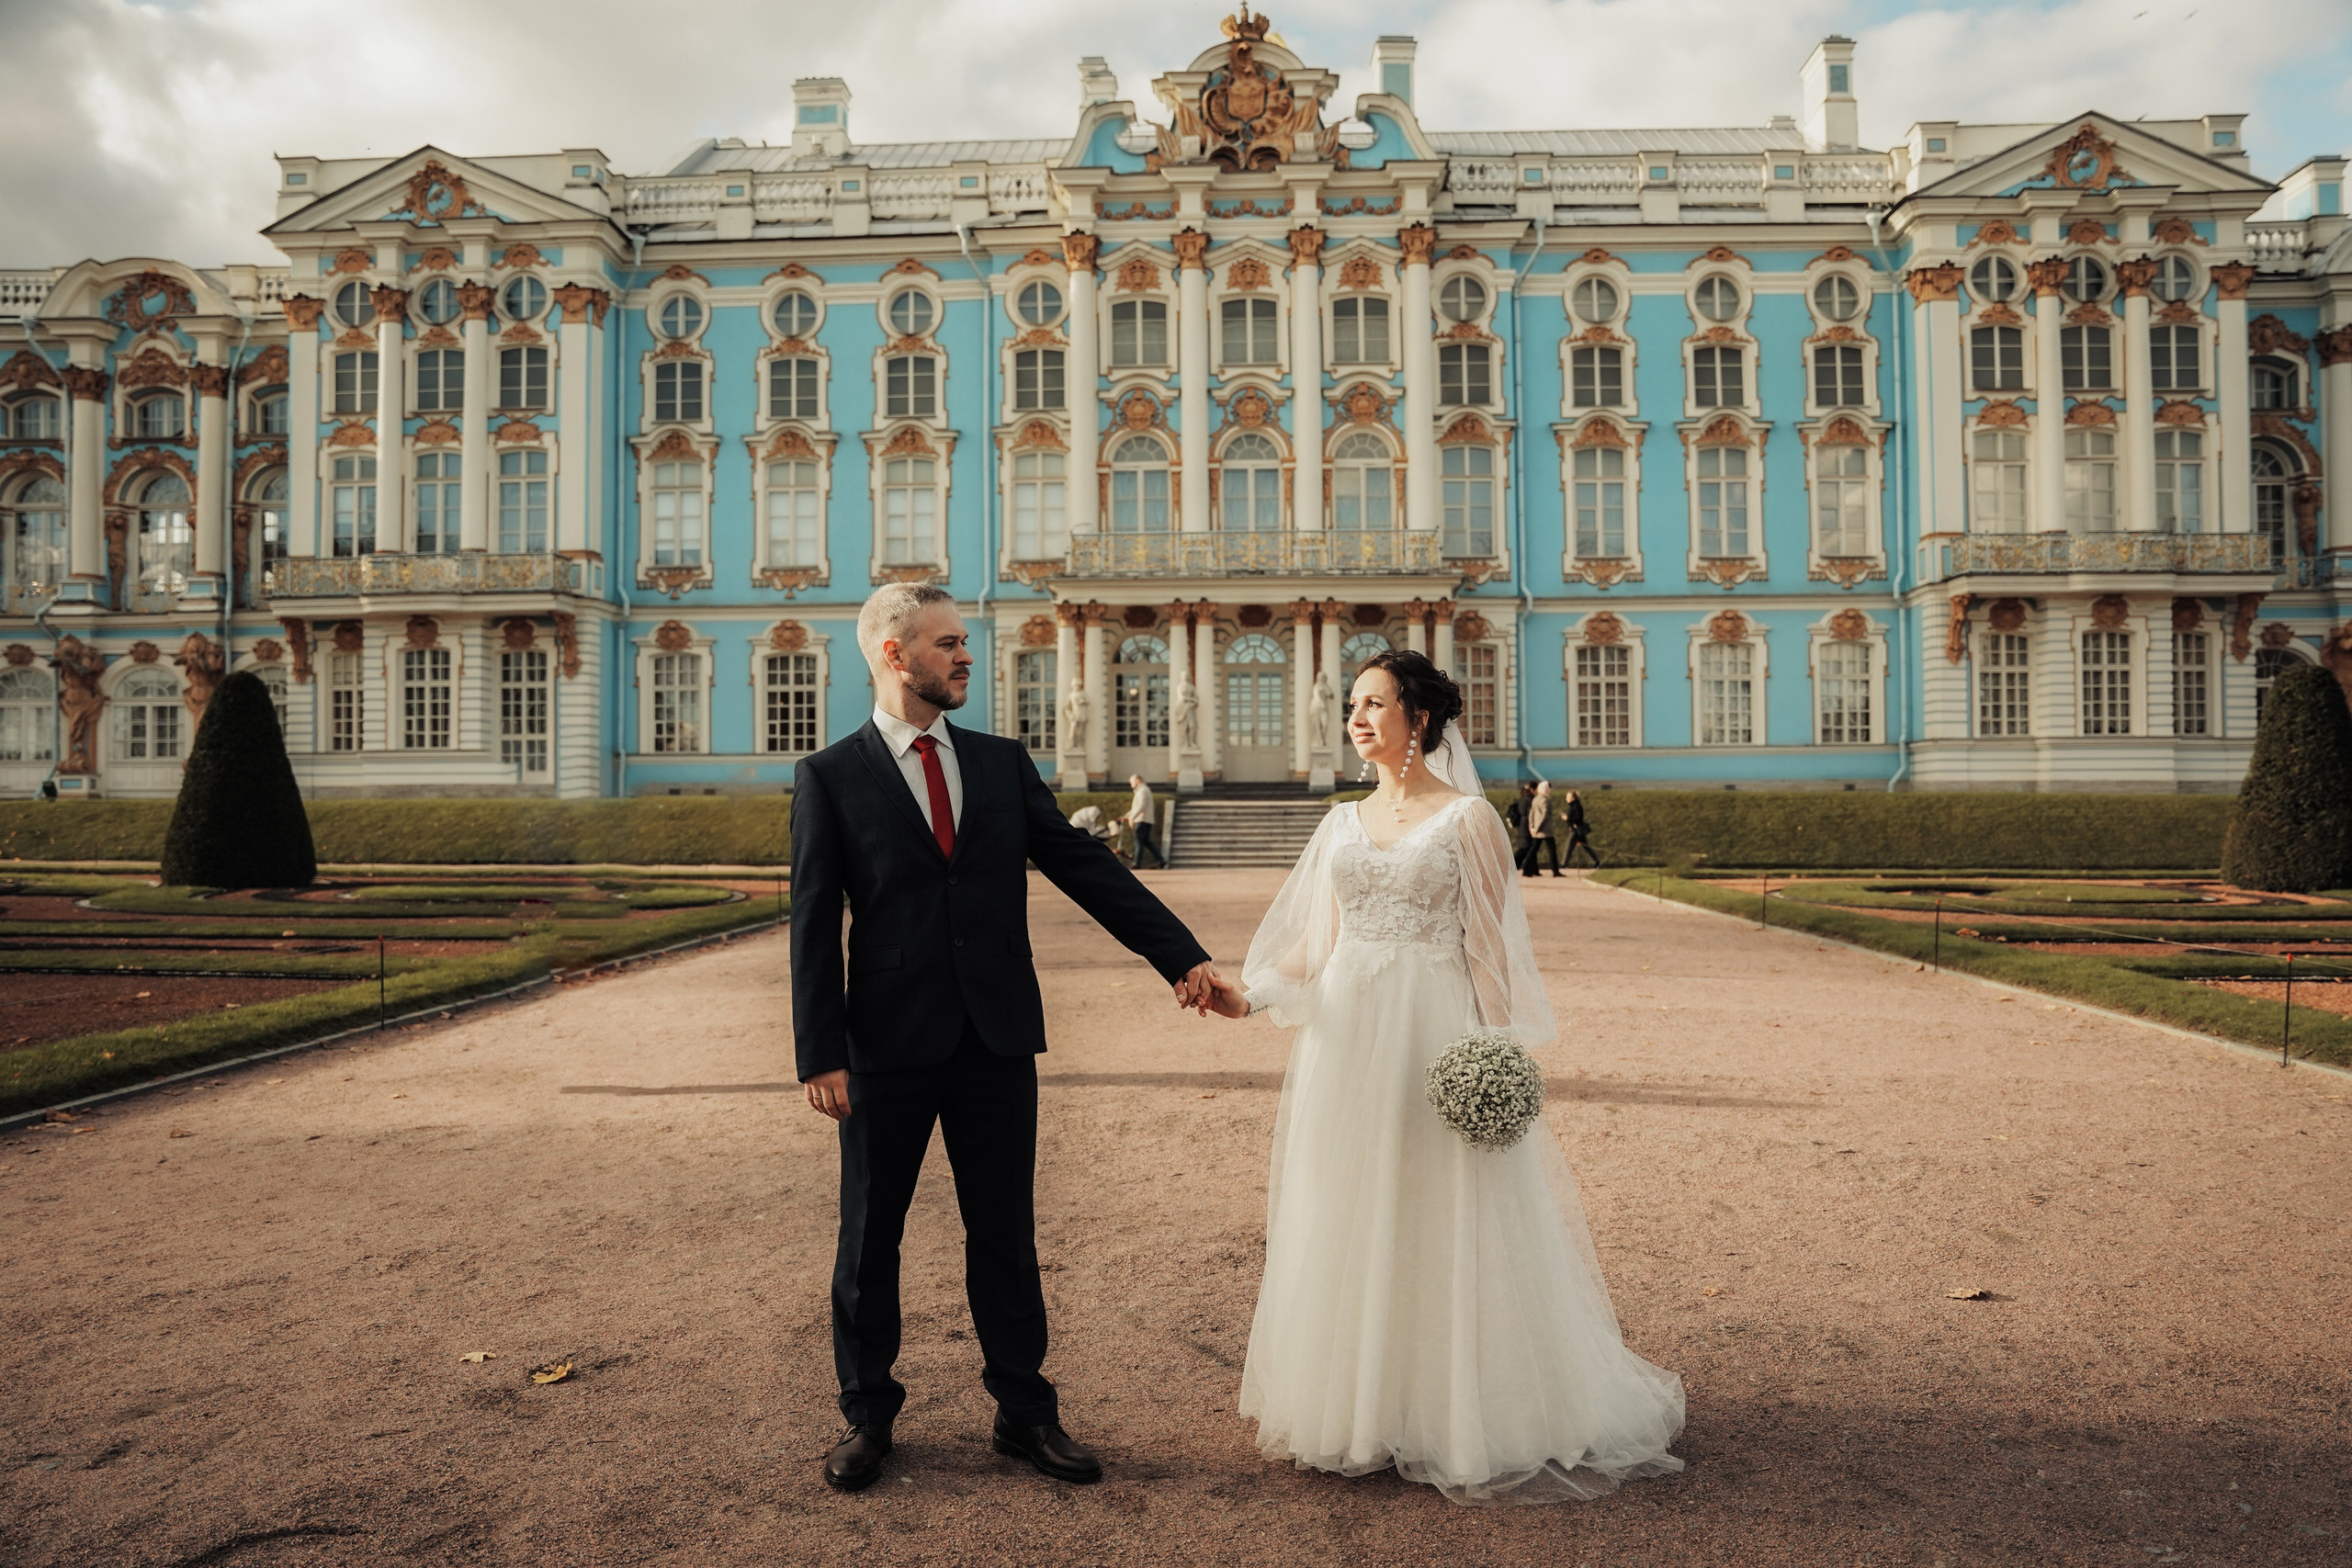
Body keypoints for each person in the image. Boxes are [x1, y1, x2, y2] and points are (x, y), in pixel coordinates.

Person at [1197, 649, 1685, 1505]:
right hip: (1347, 1040)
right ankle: (1360, 1409)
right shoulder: (1339, 825)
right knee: (1350, 1204)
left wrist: (1497, 1052)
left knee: (1440, 1208)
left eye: (1374, 702)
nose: (1357, 717)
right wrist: (1246, 1000)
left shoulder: (1467, 821)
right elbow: (1314, 948)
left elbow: (1490, 951)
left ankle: (1454, 1411)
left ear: (1418, 719)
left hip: (1435, 1029)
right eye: (1353, 703)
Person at [790, 582, 1222, 1494]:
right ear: (894, 655)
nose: (966, 657)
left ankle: (1024, 1413)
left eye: (965, 643)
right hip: (884, 1045)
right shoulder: (830, 775)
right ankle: (868, 1415)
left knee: (1005, 1234)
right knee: (871, 1237)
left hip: (994, 1037)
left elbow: (1082, 867)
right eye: (948, 644)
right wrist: (818, 1050)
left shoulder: (997, 763)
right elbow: (811, 920)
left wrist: (1179, 958)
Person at [1119, 773, 1165, 869]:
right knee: (1146, 842)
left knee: (1139, 842)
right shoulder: (1142, 790)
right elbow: (1137, 808)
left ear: (1137, 780)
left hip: (1142, 820)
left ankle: (1136, 863)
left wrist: (1132, 818)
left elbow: (1141, 807)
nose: (1131, 784)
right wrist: (1127, 816)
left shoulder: (1142, 791)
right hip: (1144, 819)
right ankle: (1161, 860)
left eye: (1131, 782)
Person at [1526, 779, 1565, 877]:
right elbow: (1544, 815)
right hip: (1545, 830)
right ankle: (1555, 871)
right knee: (1551, 850)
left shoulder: (1535, 799)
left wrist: (1531, 827)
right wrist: (1537, 828)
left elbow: (1532, 813)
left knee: (1534, 849)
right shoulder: (1545, 800)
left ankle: (1526, 868)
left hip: (1537, 829)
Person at [1562, 788, 1602, 869]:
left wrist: (1567, 819)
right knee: (1586, 846)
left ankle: (1564, 864)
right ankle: (1596, 862)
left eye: (1568, 797)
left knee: (1569, 846)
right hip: (1576, 830)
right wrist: (1569, 824)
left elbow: (1578, 819)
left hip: (1576, 831)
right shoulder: (1573, 806)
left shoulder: (1576, 806)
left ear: (1573, 798)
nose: (1566, 798)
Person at [1505, 780, 1535, 874]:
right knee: (1525, 848)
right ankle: (1514, 867)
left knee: (1529, 847)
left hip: (1522, 825)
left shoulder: (1522, 798)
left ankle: (1532, 869)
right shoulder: (1530, 799)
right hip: (1526, 825)